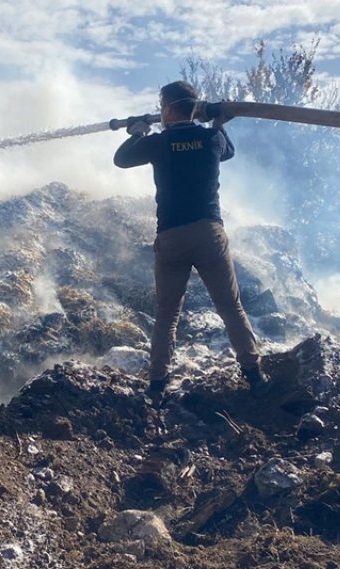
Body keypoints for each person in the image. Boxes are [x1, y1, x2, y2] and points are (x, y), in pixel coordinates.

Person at [113, 81, 268, 401]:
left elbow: (121, 159)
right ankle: (254, 375)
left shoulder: (158, 142)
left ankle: (157, 385)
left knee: (167, 313)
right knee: (230, 305)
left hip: (171, 237)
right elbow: (229, 151)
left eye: (160, 106)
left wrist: (138, 131)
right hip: (209, 234)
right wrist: (217, 122)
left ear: (167, 108)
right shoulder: (211, 138)